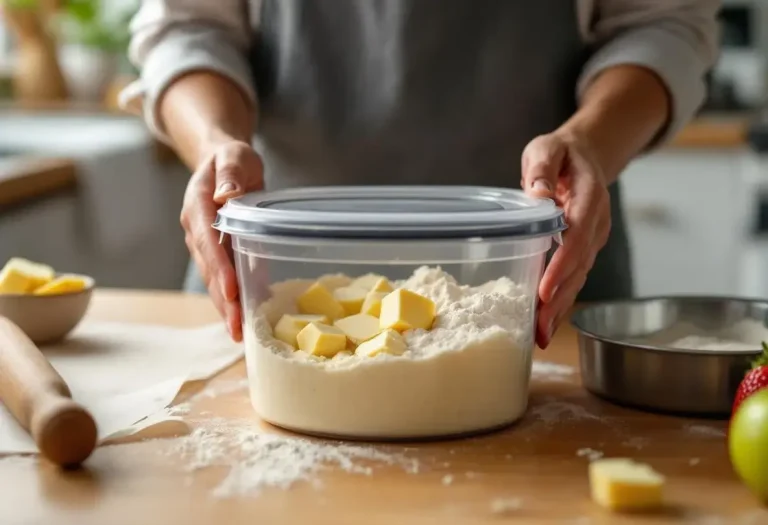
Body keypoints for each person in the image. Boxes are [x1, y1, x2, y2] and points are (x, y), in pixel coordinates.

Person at [121, 0, 720, 348]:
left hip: (542, 276)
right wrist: (216, 143)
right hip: (273, 270)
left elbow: (662, 24)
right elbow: (188, 26)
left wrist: (587, 141)